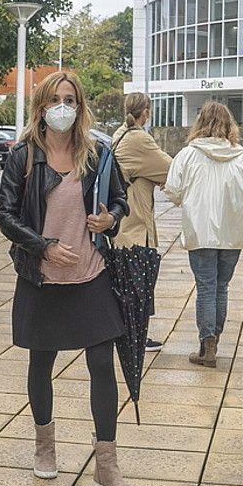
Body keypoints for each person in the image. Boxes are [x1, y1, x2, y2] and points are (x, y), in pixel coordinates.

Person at [0, 70, 133, 486]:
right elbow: (5, 216)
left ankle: (106, 465)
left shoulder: (98, 153)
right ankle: (45, 447)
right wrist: (42, 246)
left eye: (70, 100)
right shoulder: (24, 156)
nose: (63, 108)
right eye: (55, 99)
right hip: (42, 276)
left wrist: (110, 218)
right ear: (41, 106)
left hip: (91, 273)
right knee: (42, 362)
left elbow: (120, 199)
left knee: (101, 366)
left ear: (80, 105)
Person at [164, 102, 243, 368]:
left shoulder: (188, 154)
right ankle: (215, 341)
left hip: (200, 229)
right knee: (221, 287)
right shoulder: (241, 156)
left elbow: (173, 190)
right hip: (232, 231)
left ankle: (207, 344)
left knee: (205, 287)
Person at [111, 93, 173, 351]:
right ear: (145, 112)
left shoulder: (119, 134)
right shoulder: (138, 139)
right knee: (138, 284)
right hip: (134, 223)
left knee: (125, 282)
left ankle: (126, 332)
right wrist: (155, 176)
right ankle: (136, 336)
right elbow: (172, 169)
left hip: (122, 222)